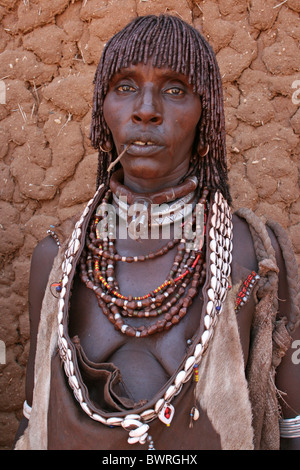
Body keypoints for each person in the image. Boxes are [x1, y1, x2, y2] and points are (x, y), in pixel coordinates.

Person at [14, 14, 300, 450]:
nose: (146, 109)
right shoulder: (55, 261)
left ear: (206, 116)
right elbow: (33, 422)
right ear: (102, 111)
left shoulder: (254, 255)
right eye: (125, 87)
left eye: (174, 89)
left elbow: (291, 428)